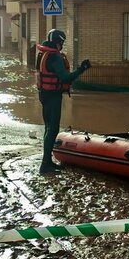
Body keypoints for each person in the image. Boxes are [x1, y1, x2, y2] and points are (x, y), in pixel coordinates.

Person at [36, 29, 91, 175]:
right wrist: (82, 69)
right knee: (53, 129)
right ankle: (45, 165)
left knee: (48, 127)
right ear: (58, 42)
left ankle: (47, 161)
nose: (62, 45)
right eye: (62, 42)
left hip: (43, 94)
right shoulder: (55, 57)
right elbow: (65, 78)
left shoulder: (42, 54)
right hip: (53, 96)